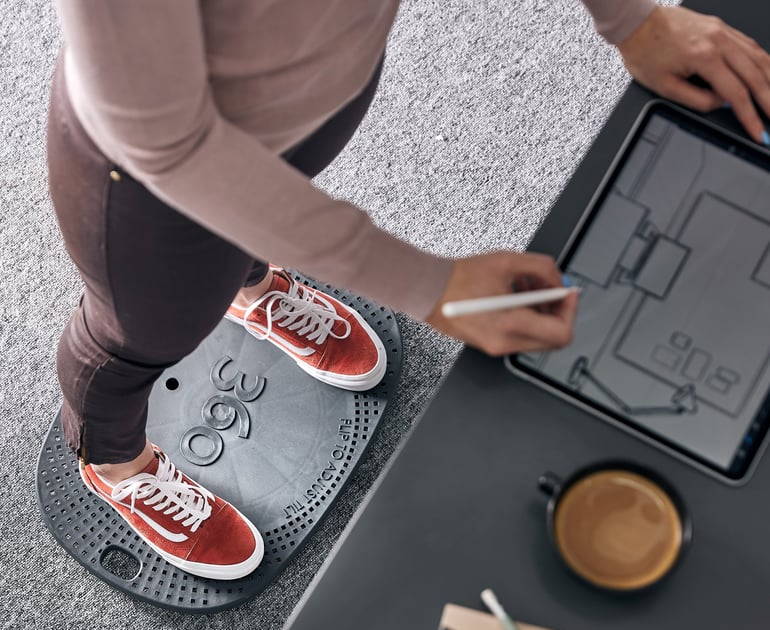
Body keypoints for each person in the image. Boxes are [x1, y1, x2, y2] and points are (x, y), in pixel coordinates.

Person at [48, 0, 770, 581]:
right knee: (137, 337)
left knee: (257, 216)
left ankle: (248, 282)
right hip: (150, 184)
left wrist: (629, 17)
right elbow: (171, 146)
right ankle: (114, 463)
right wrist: (427, 286)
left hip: (316, 90)